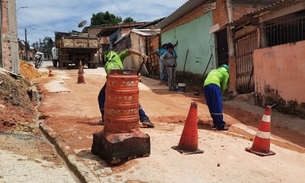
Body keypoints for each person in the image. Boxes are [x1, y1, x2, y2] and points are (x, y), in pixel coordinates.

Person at [98, 49, 155, 128]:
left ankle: (105, 118)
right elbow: (129, 50)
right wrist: (141, 54)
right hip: (124, 81)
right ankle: (144, 118)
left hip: (113, 82)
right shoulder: (119, 57)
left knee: (101, 97)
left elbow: (110, 76)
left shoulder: (108, 64)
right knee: (131, 100)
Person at [203, 64, 229, 131]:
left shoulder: (213, 70)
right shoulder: (225, 73)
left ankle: (215, 122)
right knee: (217, 105)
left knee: (211, 104)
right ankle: (220, 125)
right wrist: (221, 92)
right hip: (214, 86)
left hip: (205, 86)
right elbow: (224, 85)